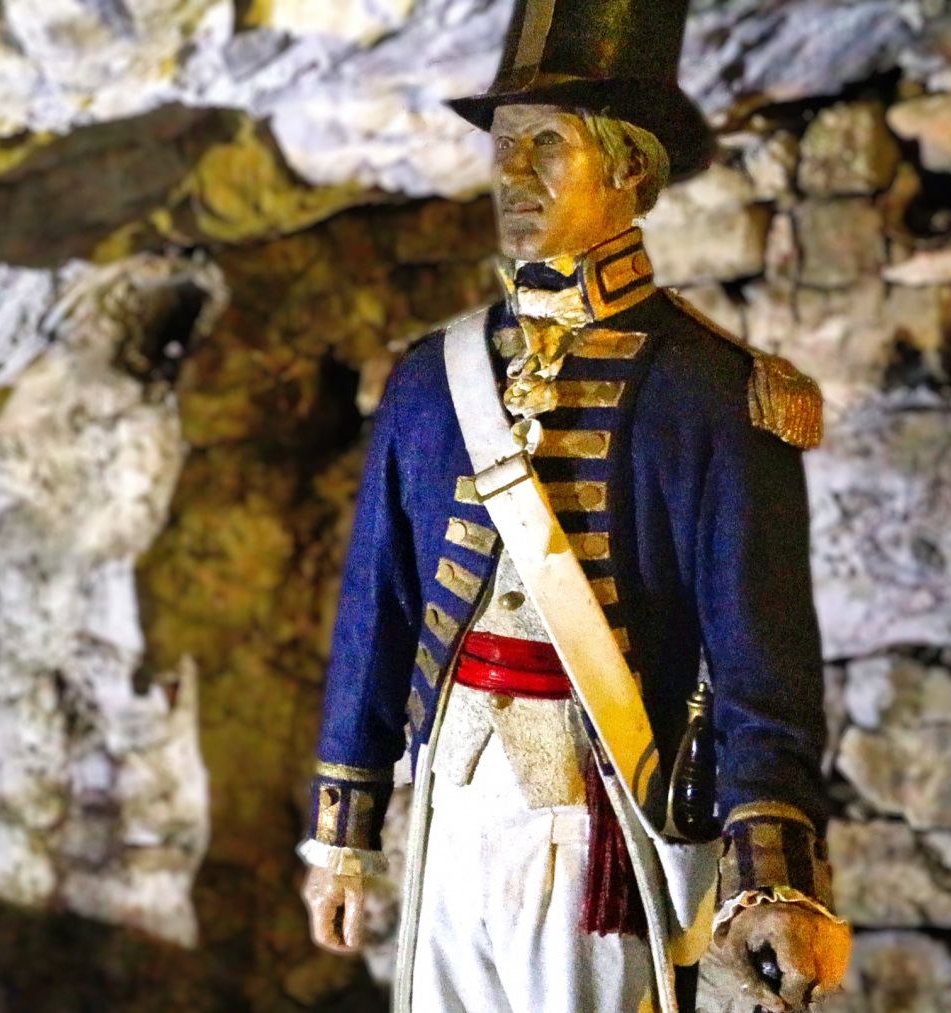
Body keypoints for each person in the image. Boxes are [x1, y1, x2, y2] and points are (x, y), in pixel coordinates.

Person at [296, 0, 852, 1010]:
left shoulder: (718, 394)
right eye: (505, 145)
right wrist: (343, 834)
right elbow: (376, 611)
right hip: (453, 802)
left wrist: (772, 874)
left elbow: (760, 658)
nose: (514, 173)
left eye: (547, 143)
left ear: (632, 167)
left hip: (605, 813)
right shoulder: (429, 380)